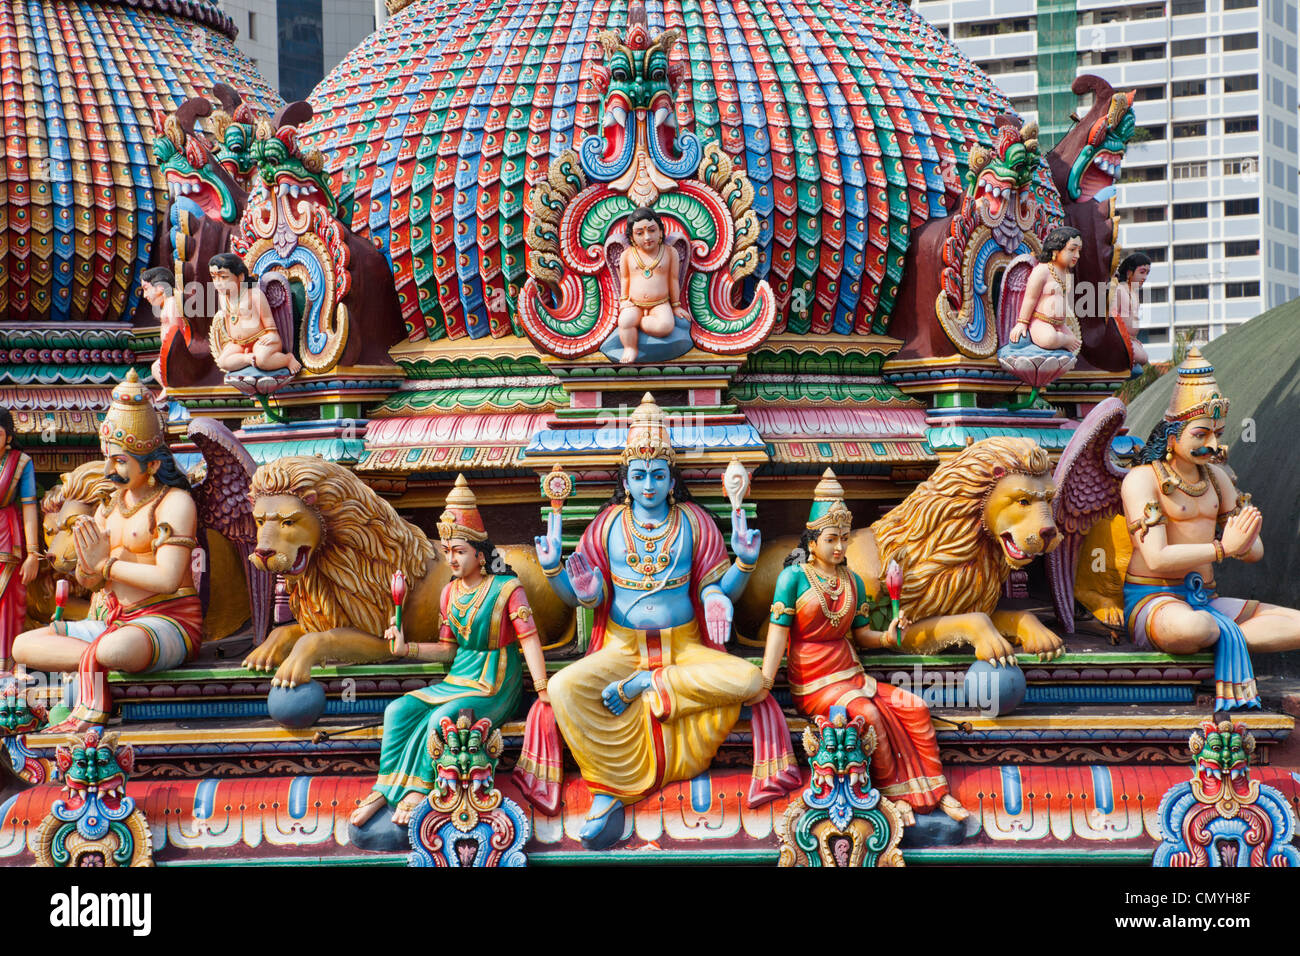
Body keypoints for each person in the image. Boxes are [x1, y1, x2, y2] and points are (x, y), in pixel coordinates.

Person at [534, 394, 790, 849]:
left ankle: (650, 686)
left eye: (657, 475)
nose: (648, 485)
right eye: (638, 476)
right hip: (619, 649)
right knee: (562, 689)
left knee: (751, 680)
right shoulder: (609, 524)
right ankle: (609, 789)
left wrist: (743, 568)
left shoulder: (693, 522)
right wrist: (559, 573)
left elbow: (715, 590)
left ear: (672, 479)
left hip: (686, 649)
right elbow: (578, 596)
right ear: (626, 481)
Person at [754, 470, 970, 842]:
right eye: (831, 539)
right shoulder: (793, 579)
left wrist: (888, 636)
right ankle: (894, 795)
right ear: (812, 540)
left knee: (914, 706)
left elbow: (862, 636)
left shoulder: (852, 581)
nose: (839, 547)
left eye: (843, 539)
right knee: (868, 714)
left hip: (852, 675)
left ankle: (938, 792)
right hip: (813, 682)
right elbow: (778, 633)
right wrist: (766, 680)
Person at [350, 476, 550, 829]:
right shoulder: (449, 592)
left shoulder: (506, 588)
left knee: (440, 718)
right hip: (459, 676)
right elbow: (447, 650)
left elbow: (530, 640)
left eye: (459, 551)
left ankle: (420, 789)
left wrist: (544, 688)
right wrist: (405, 647)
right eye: (447, 552)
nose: (452, 559)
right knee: (398, 709)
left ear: (479, 553)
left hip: (496, 681)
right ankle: (385, 787)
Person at [13, 370, 202, 730]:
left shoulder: (174, 503)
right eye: (107, 458)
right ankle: (93, 666)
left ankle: (92, 673)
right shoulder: (109, 505)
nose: (108, 469)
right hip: (112, 623)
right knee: (23, 645)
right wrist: (86, 568)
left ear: (153, 464)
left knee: (116, 650)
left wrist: (107, 564)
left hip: (167, 621)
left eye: (119, 461)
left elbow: (166, 578)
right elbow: (92, 579)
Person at [1122, 347, 1300, 710]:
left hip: (1208, 599)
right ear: (1172, 435)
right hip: (1154, 601)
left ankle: (1225, 637)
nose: (1213, 445)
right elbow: (1155, 559)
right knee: (1197, 628)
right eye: (1201, 434)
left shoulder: (1218, 479)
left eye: (1217, 433)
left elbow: (1254, 553)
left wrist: (1246, 536)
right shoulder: (1143, 480)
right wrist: (1222, 549)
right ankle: (1224, 637)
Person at [615, 208, 690, 364]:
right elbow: (625, 279)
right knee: (625, 321)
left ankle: (642, 323)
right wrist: (623, 300)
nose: (647, 237)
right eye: (640, 233)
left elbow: (673, 280)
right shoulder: (627, 255)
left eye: (652, 230)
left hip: (660, 303)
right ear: (632, 237)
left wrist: (676, 305)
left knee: (665, 327)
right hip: (634, 304)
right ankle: (630, 347)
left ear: (661, 232)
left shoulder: (670, 253)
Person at [209, 253, 301, 375]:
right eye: (214, 277)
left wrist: (272, 334)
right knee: (223, 362)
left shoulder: (255, 295)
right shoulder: (223, 298)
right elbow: (229, 321)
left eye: (223, 277)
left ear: (240, 277)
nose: (218, 283)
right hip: (239, 344)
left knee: (262, 360)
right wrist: (232, 340)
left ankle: (287, 359)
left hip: (261, 339)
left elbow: (269, 322)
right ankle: (246, 358)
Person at [0, 410, 40, 671]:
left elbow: (29, 506)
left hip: (6, 537)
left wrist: (33, 553)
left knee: (7, 603)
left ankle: (5, 666)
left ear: (8, 437)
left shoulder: (20, 462)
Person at [1011, 226, 1083, 352]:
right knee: (1049, 339)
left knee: (1076, 342)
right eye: (1072, 249)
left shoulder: (1066, 273)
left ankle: (1063, 339)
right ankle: (1063, 340)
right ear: (1055, 250)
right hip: (1041, 321)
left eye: (1079, 250)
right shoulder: (1042, 270)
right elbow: (1030, 298)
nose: (1077, 255)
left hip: (1059, 325)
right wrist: (1022, 322)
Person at [139, 267, 188, 400]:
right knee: (157, 368)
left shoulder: (172, 303)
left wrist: (174, 350)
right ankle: (168, 388)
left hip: (175, 349)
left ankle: (170, 388)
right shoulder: (167, 304)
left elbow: (176, 328)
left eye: (146, 288)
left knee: (157, 367)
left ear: (160, 287)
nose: (145, 295)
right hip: (169, 350)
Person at [1111, 252, 1151, 368]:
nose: (1145, 277)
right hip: (1119, 339)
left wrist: (1133, 338)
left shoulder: (1134, 293)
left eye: (1147, 273)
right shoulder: (1119, 289)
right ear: (1129, 272)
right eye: (1142, 272)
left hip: (1130, 339)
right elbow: (1113, 317)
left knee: (1143, 358)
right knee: (1141, 357)